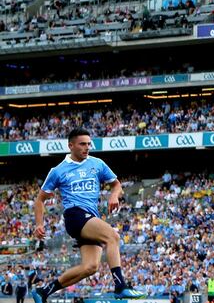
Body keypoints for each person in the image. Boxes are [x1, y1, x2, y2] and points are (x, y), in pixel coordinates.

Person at [31, 128, 145, 303]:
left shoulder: (97, 164)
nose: (87, 147)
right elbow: (40, 200)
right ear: (71, 146)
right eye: (82, 144)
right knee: (112, 236)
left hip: (92, 217)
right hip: (75, 215)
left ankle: (44, 291)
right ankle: (121, 286)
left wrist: (114, 195)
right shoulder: (58, 170)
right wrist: (39, 224)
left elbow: (116, 184)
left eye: (88, 144)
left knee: (90, 267)